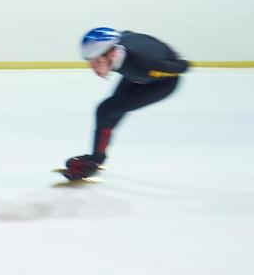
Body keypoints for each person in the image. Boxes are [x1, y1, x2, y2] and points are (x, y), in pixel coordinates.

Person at [59, 27, 190, 181]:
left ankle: (95, 160)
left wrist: (172, 59)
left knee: (106, 110)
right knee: (111, 110)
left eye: (97, 61)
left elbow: (182, 66)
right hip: (135, 73)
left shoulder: (145, 63)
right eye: (90, 62)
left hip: (162, 83)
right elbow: (128, 33)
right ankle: (96, 158)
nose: (93, 68)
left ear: (113, 53)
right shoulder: (116, 48)